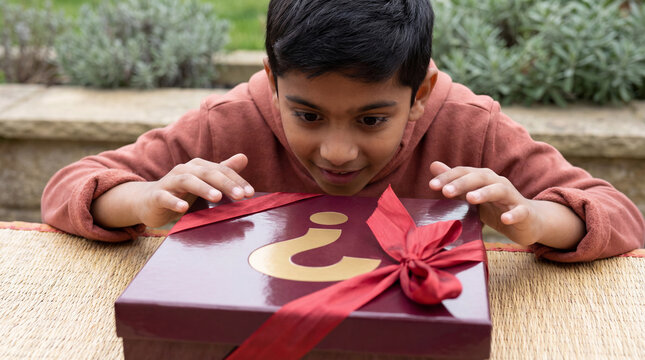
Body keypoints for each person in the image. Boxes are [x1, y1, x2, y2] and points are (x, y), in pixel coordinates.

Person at [41, 0, 644, 262]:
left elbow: (618, 216)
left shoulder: (470, 128)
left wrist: (530, 218)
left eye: (372, 120)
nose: (335, 150)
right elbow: (70, 188)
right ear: (272, 81)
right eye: (306, 114)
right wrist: (145, 198)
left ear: (421, 94)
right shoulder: (228, 124)